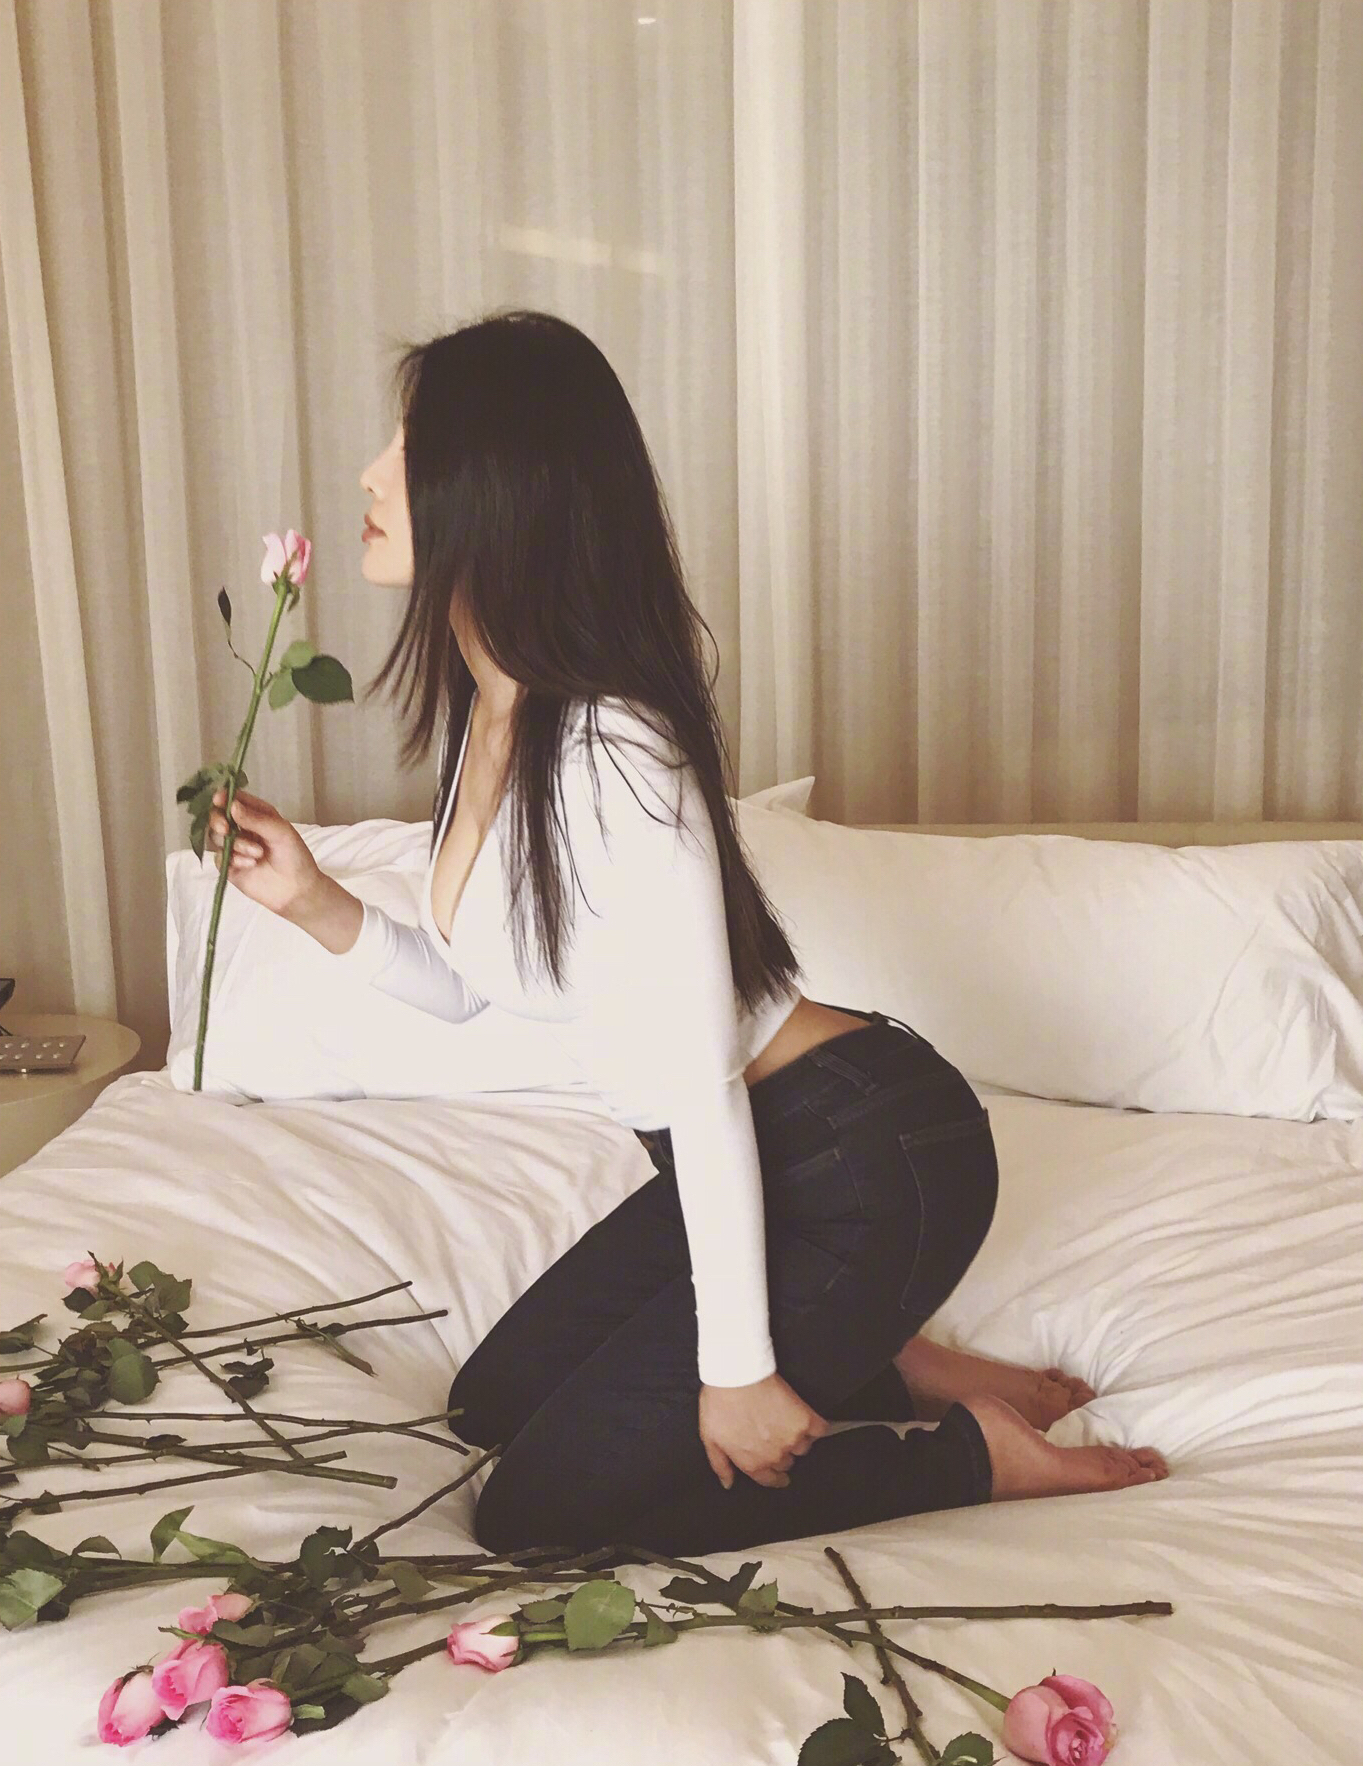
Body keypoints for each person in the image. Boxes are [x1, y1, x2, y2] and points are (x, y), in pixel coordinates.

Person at [204, 308, 1167, 1557]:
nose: (370, 477)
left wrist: (739, 1368)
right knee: (490, 1406)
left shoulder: (613, 751)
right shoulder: (494, 715)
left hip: (866, 1164)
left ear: (500, 487)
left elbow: (705, 1080)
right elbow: (471, 987)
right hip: (755, 1156)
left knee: (538, 1515)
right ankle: (891, 1361)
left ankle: (972, 1453)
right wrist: (314, 901)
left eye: (408, 448)